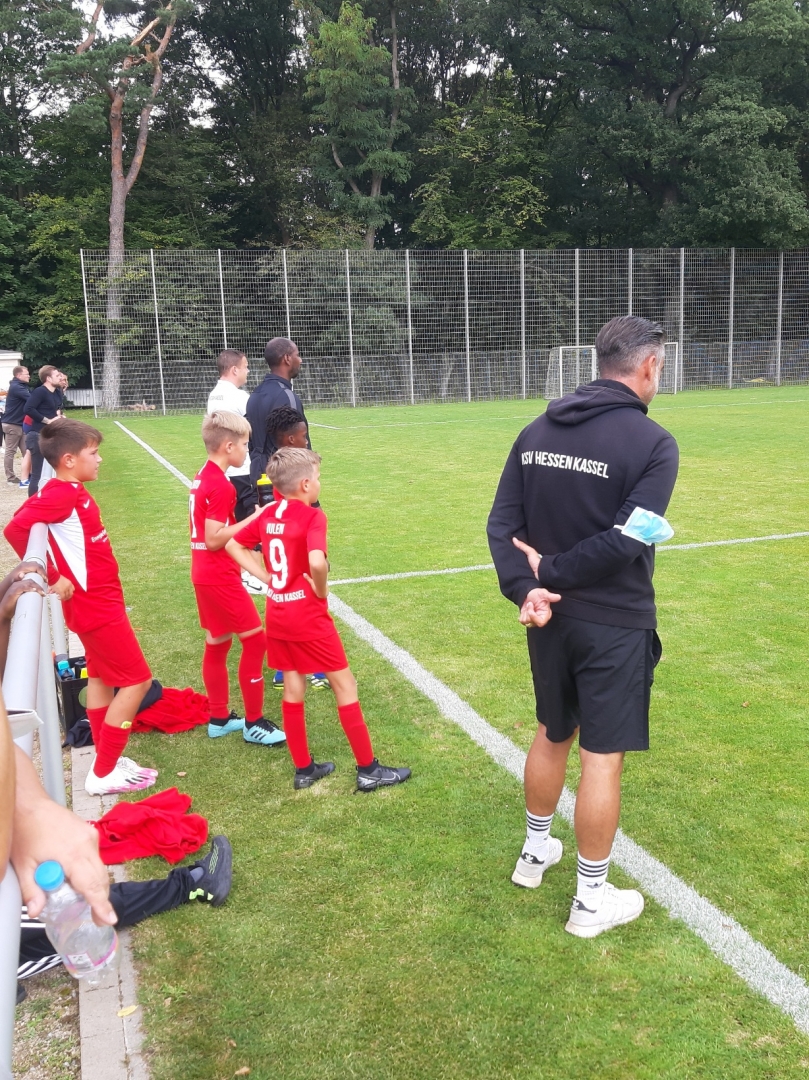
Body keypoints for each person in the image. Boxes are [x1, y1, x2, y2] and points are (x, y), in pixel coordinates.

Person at [487, 316, 679, 939]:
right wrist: (546, 575)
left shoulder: (536, 431)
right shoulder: (654, 443)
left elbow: (501, 525)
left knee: (553, 731)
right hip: (613, 623)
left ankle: (534, 852)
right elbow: (627, 541)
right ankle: (591, 901)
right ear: (648, 365)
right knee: (601, 756)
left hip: (548, 617)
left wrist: (529, 588)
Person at [226, 447, 411, 792]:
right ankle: (368, 769)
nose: (320, 483)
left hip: (277, 613)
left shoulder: (268, 513)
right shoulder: (313, 517)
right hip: (308, 616)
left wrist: (267, 578)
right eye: (319, 477)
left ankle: (304, 768)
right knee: (345, 685)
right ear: (306, 484)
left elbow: (233, 546)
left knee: (293, 686)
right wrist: (321, 589)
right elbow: (316, 562)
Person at [4, 418, 158, 796]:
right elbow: (15, 529)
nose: (100, 459)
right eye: (94, 453)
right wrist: (54, 576)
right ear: (69, 460)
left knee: (101, 679)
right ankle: (102, 773)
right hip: (97, 607)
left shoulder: (70, 489)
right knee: (137, 682)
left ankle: (106, 759)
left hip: (101, 601)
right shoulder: (62, 493)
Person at [190, 411, 286, 747]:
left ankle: (219, 718)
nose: (247, 450)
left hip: (205, 573)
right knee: (255, 641)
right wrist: (255, 519)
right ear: (228, 446)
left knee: (218, 641)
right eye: (244, 444)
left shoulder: (203, 476)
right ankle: (254, 723)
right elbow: (214, 538)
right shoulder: (220, 484)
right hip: (218, 576)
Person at [265, 407, 330, 693]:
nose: (306, 440)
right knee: (310, 609)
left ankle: (283, 671)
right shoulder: (292, 473)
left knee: (286, 612)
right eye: (304, 436)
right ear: (291, 439)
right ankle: (317, 670)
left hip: (281, 551)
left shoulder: (278, 468)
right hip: (299, 548)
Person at [246, 338, 311, 504]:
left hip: (257, 479)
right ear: (287, 359)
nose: (300, 360)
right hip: (281, 481)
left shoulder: (255, 395)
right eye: (297, 355)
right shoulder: (287, 397)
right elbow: (297, 449)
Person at [206, 350, 255, 520]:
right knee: (249, 520)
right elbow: (255, 427)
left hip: (223, 468)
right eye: (245, 367)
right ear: (235, 370)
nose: (248, 371)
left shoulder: (214, 395)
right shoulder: (239, 396)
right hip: (242, 468)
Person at [24, 366, 64, 497]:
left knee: (52, 471)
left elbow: (56, 409)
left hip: (50, 436)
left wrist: (59, 417)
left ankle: (48, 500)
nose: (60, 378)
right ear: (48, 378)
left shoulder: (57, 392)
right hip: (37, 435)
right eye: (57, 376)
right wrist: (48, 421)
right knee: (38, 473)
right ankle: (33, 504)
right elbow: (28, 408)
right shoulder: (40, 392)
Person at [3, 366, 30, 484]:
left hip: (19, 423)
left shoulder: (20, 386)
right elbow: (31, 399)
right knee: (11, 451)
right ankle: (10, 477)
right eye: (26, 374)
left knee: (27, 450)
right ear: (18, 375)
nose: (29, 376)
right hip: (12, 424)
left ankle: (29, 474)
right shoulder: (17, 387)